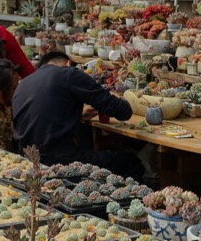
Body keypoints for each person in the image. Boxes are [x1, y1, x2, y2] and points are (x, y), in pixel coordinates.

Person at [12, 49, 143, 179]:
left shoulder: (24, 83)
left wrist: (77, 115)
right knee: (132, 163)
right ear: (68, 63)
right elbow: (123, 112)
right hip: (60, 162)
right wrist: (117, 97)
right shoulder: (69, 74)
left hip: (28, 160)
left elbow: (43, 115)